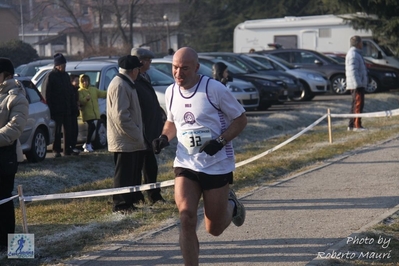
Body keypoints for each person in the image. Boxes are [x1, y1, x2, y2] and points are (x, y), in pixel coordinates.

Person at [152, 47, 247, 265]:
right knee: (186, 217)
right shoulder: (171, 92)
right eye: (175, 68)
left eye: (184, 68)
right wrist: (164, 138)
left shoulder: (214, 89)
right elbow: (172, 122)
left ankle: (231, 205)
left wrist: (220, 141)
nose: (178, 73)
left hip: (216, 164)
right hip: (186, 163)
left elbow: (241, 119)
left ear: (196, 67)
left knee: (213, 228)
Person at [107, 55, 146, 214]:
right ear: (134, 70)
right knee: (123, 174)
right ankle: (121, 205)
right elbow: (121, 116)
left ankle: (129, 202)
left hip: (129, 139)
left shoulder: (126, 84)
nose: (139, 72)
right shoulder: (120, 85)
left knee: (130, 173)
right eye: (138, 69)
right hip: (124, 139)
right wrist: (137, 134)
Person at [0, 58, 29, 250]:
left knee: (3, 199)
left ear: (7, 75)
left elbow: (15, 128)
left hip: (5, 157)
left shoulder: (17, 97)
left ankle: (6, 243)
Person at [130, 47, 165, 204]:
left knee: (151, 166)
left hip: (151, 129)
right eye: (148, 60)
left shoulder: (145, 77)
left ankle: (154, 195)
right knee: (140, 166)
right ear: (141, 62)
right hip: (142, 130)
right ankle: (141, 196)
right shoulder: (134, 81)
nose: (150, 63)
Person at [41, 53, 74, 157]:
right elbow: (46, 94)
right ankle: (56, 150)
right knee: (57, 130)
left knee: (68, 130)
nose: (64, 67)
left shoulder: (65, 76)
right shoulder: (51, 76)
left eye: (65, 65)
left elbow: (70, 91)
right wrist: (49, 108)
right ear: (57, 65)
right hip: (56, 109)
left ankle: (67, 149)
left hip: (66, 108)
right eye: (62, 65)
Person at [78, 74, 107, 152]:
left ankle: (88, 143)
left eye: (86, 81)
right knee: (92, 126)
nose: (85, 83)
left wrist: (110, 91)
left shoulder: (93, 89)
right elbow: (80, 101)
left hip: (94, 113)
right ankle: (87, 144)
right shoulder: (80, 91)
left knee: (92, 127)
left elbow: (102, 93)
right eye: (83, 81)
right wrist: (85, 99)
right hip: (87, 114)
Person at [346, 35, 368, 132]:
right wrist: (358, 83)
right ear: (358, 43)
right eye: (361, 42)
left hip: (357, 84)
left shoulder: (356, 54)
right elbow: (353, 71)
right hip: (357, 85)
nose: (362, 44)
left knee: (354, 104)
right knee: (358, 104)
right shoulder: (353, 55)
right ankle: (356, 126)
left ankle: (351, 125)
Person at [69, 74, 80, 155]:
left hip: (75, 112)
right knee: (72, 130)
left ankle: (73, 146)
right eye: (76, 81)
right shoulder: (70, 90)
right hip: (70, 112)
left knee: (75, 130)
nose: (77, 83)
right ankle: (71, 147)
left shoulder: (76, 90)